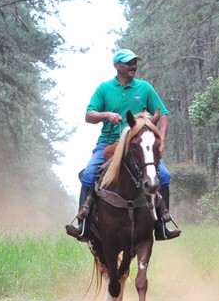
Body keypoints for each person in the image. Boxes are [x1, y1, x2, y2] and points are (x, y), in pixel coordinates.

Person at [65, 49, 181, 242]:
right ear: (116, 65)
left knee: (165, 177)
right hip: (108, 143)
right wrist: (106, 115)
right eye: (128, 63)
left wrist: (161, 142)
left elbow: (164, 114)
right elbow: (89, 115)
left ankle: (162, 224)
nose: (133, 66)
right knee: (88, 175)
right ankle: (82, 223)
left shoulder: (144, 88)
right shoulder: (104, 88)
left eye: (134, 62)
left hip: (138, 146)